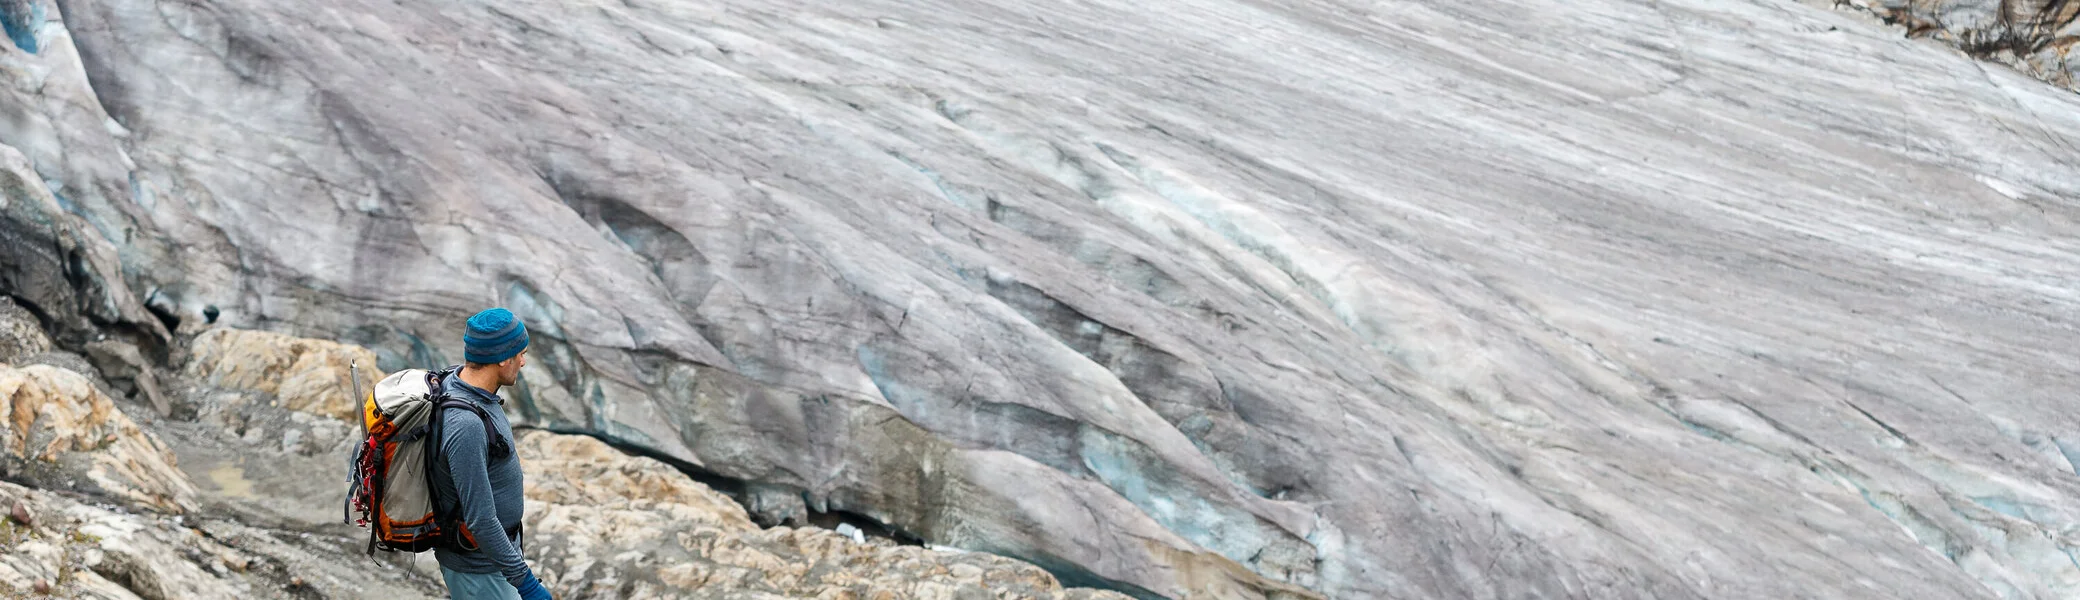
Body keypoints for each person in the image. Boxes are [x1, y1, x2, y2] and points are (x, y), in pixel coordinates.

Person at [430, 307, 552, 600]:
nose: (523, 362)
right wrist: (527, 583)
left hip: (494, 560)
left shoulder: (459, 382)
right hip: (479, 568)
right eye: (520, 353)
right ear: (501, 357)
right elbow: (480, 519)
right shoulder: (466, 424)